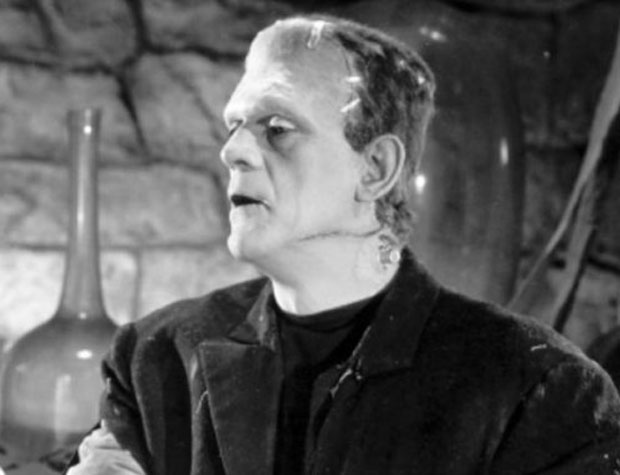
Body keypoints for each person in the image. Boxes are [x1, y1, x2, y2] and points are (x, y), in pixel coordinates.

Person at [66, 14, 620, 475]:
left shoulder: (539, 392)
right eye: (235, 124)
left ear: (375, 167)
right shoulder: (154, 357)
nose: (232, 151)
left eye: (277, 128)